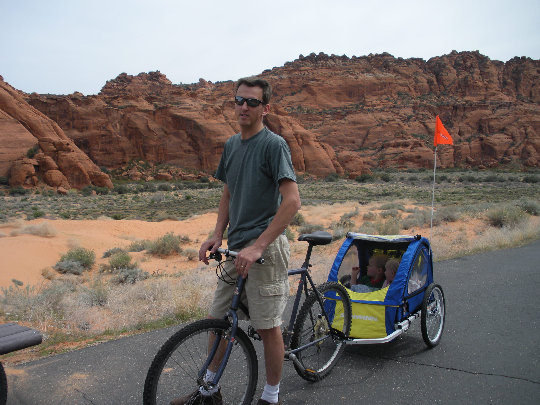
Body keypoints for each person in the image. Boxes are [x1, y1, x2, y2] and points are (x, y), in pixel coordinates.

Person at [173, 78, 301, 405]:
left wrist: (259, 245)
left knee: (268, 326)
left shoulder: (274, 146)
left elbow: (292, 202)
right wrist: (218, 234)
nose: (244, 107)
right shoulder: (231, 145)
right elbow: (228, 190)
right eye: (239, 100)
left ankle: (270, 397)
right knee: (218, 322)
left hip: (265, 252)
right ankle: (209, 390)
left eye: (252, 102)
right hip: (236, 251)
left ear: (265, 109)